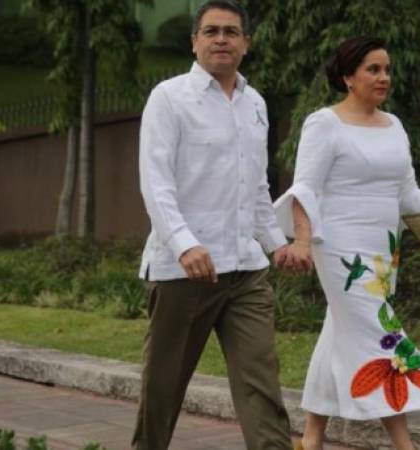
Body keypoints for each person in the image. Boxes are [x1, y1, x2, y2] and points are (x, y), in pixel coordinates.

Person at [132, 1, 301, 449]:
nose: (221, 39)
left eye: (231, 31)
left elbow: (257, 186)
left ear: (246, 43)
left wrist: (275, 241)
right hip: (183, 272)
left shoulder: (255, 103)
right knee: (162, 391)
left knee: (261, 387)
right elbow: (156, 183)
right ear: (195, 42)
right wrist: (185, 245)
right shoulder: (169, 98)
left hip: (245, 271)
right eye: (211, 31)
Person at [274, 37, 420, 450]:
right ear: (347, 77)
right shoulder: (324, 123)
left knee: (341, 329)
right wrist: (302, 240)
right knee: (382, 333)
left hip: (384, 247)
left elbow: (407, 191)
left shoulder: (394, 126)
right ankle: (404, 445)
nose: (384, 77)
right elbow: (305, 186)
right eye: (373, 69)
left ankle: (311, 438)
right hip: (340, 248)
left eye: (387, 69)